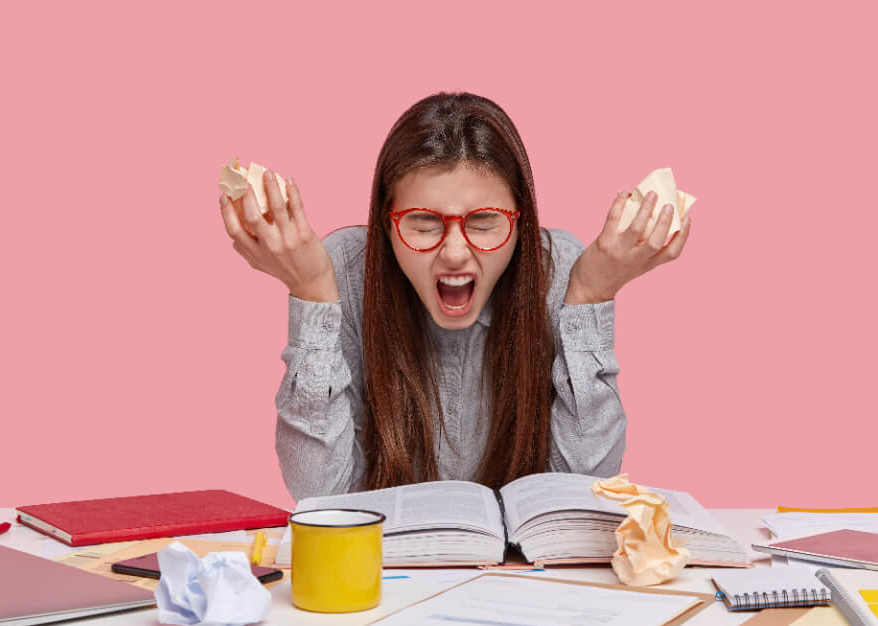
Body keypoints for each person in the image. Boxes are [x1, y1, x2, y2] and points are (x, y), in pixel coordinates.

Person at [219, 92, 690, 502]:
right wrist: (312, 295)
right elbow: (320, 495)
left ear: (520, 223)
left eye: (484, 222)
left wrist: (591, 295)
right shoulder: (342, 270)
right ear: (387, 224)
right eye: (424, 224)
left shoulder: (561, 271)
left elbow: (581, 492)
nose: (455, 253)